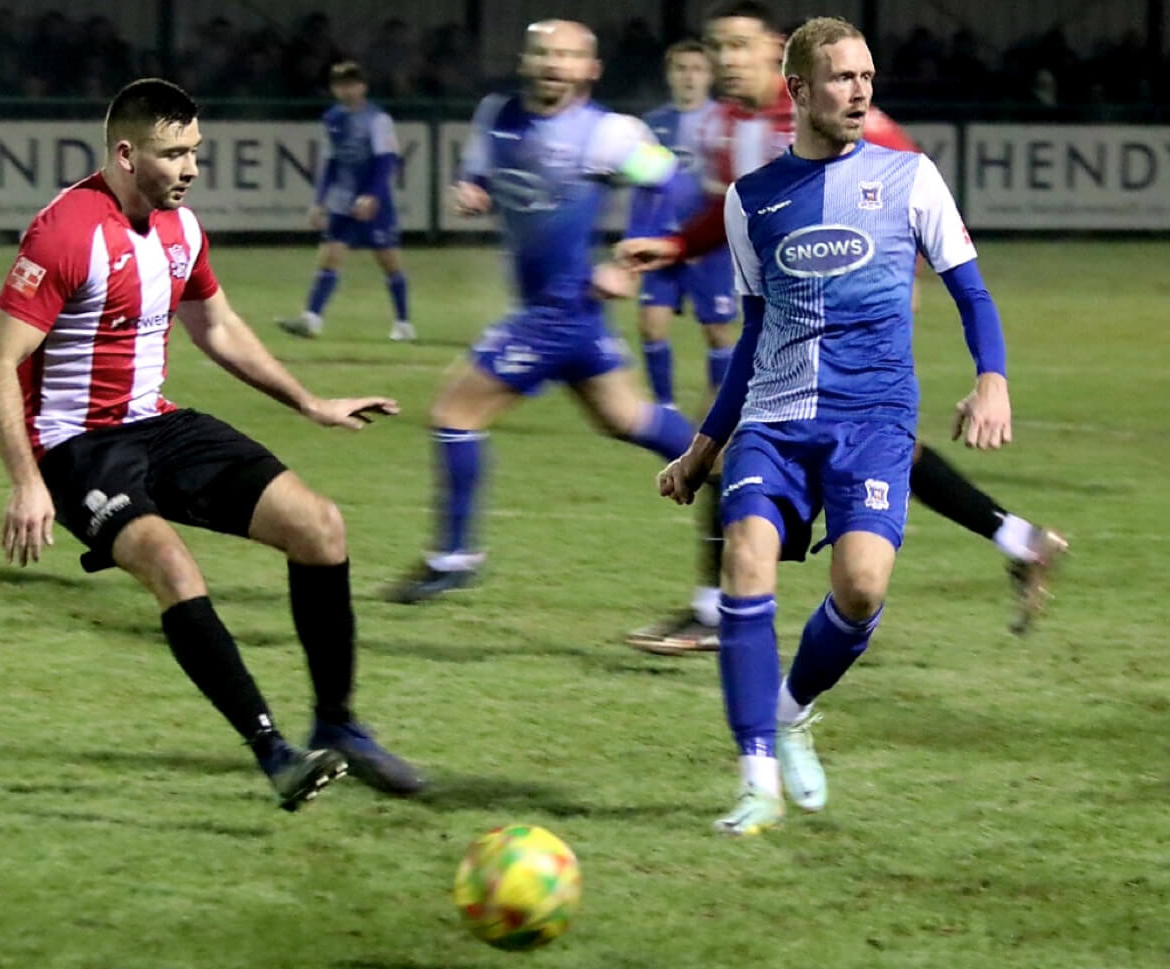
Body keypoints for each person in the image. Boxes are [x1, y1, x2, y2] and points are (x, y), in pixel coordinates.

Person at [0, 78, 424, 812]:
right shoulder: (65, 230)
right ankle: (273, 750)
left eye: (195, 152)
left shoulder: (182, 229)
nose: (189, 167)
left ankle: (337, 724)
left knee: (320, 525)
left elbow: (216, 326)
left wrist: (309, 401)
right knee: (172, 565)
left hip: (158, 423)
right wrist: (25, 481)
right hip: (78, 446)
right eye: (173, 153)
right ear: (126, 153)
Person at [657, 16, 1015, 835]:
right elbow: (752, 335)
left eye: (867, 77)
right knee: (746, 559)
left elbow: (972, 292)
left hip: (874, 422)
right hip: (777, 422)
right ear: (799, 91)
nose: (860, 91)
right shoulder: (753, 200)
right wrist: (704, 446)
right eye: (843, 78)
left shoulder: (910, 178)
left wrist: (991, 379)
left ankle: (790, 712)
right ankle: (754, 781)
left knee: (860, 588)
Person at [621, 0, 1065, 653]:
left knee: (759, 433)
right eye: (717, 46)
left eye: (740, 46)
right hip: (800, 310)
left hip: (860, 305)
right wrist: (677, 246)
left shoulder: (840, 116)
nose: (725, 60)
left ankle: (717, 612)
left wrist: (903, 277)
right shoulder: (739, 124)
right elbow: (741, 207)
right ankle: (1019, 539)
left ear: (777, 52)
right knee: (875, 445)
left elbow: (901, 181)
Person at [384, 19, 695, 604]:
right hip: (557, 309)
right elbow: (478, 170)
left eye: (568, 56)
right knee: (626, 419)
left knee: (455, 414)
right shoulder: (498, 114)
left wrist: (629, 263)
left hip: (561, 308)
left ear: (590, 70)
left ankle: (454, 555)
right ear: (525, 61)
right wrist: (472, 189)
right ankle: (737, 470)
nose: (554, 64)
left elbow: (672, 185)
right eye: (543, 53)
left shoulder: (606, 133)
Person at [627, 39, 738, 411]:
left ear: (709, 76)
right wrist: (635, 236)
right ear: (670, 75)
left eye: (696, 69)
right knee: (651, 325)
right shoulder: (653, 125)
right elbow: (642, 189)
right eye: (681, 69)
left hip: (710, 246)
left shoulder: (725, 122)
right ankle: (665, 408)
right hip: (661, 242)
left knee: (718, 332)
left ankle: (718, 411)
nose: (689, 76)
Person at [277, 62, 415, 342]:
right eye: (341, 85)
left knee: (388, 261)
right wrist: (319, 201)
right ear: (334, 89)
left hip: (374, 203)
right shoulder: (333, 118)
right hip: (342, 201)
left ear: (363, 87)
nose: (347, 90)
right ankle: (312, 319)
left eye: (352, 84)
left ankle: (403, 322)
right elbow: (330, 162)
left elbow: (386, 159)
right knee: (330, 256)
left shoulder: (377, 119)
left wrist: (373, 195)